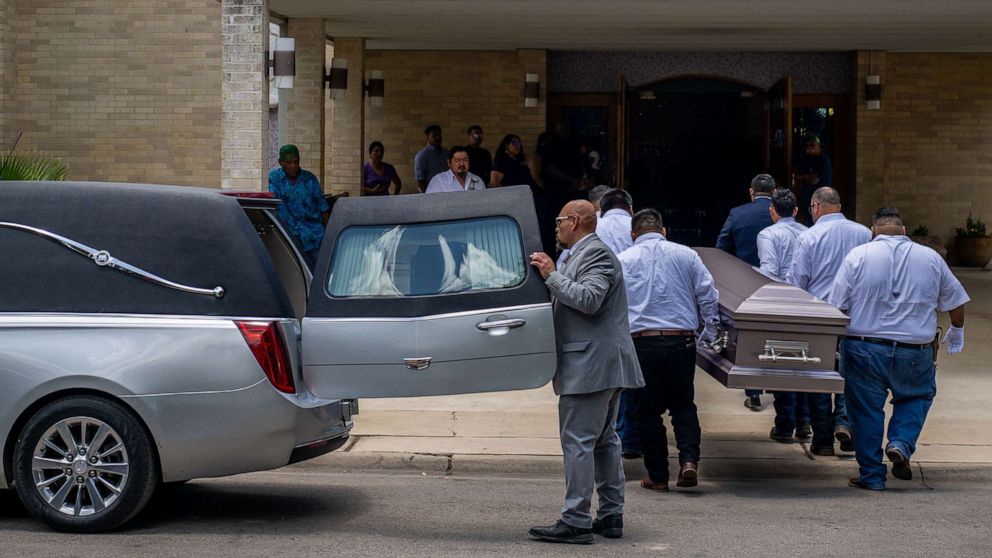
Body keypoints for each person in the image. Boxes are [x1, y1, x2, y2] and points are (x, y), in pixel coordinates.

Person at [527, 200, 644, 544]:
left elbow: (590, 299)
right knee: (605, 442)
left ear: (574, 221)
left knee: (578, 441)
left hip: (590, 364)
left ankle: (576, 519)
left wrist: (550, 275)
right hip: (599, 363)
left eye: (560, 221)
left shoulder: (595, 254)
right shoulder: (584, 253)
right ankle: (610, 515)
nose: (557, 227)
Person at [828, 207, 969, 490]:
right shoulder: (930, 258)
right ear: (904, 231)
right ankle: (901, 442)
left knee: (866, 411)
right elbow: (954, 301)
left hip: (863, 347)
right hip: (914, 350)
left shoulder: (858, 256)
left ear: (872, 231)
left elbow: (837, 306)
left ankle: (871, 475)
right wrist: (957, 330)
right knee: (917, 396)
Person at [618, 208, 720, 491]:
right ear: (663, 231)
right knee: (683, 405)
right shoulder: (687, 254)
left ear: (633, 235)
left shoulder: (623, 260)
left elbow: (612, 306)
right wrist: (708, 334)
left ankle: (658, 475)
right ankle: (689, 462)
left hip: (642, 342)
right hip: (682, 341)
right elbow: (708, 296)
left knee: (647, 412)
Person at [786, 186, 871, 456]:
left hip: (819, 316)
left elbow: (797, 281)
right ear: (839, 204)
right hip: (855, 316)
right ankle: (845, 425)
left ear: (816, 207)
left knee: (819, 378)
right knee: (851, 375)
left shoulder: (809, 236)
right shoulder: (864, 233)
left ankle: (822, 441)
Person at [756, 189, 812, 443]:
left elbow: (769, 270)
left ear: (772, 211)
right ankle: (804, 422)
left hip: (781, 304)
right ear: (797, 211)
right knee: (806, 363)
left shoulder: (768, 234)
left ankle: (785, 425)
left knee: (781, 363)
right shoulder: (808, 232)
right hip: (808, 304)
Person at [716, 173, 775, 410]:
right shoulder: (781, 215)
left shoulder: (738, 213)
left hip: (747, 280)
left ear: (751, 192)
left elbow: (722, 246)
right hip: (778, 285)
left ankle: (753, 392)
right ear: (774, 191)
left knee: (750, 335)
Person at [594, 189, 640, 459]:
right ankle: (632, 437)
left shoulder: (596, 226)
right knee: (634, 376)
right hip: (639, 310)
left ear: (601, 209)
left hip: (606, 308)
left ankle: (617, 435)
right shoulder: (638, 227)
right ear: (631, 208)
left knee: (613, 379)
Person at [268, 144, 329, 267]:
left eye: (296, 162)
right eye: (289, 163)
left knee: (318, 272)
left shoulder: (309, 179)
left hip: (314, 236)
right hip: (290, 236)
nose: (293, 166)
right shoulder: (275, 177)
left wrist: (329, 233)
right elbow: (277, 202)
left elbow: (323, 206)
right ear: (281, 162)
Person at [794, 135, 833, 224]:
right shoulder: (805, 160)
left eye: (812, 145)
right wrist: (807, 177)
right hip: (807, 197)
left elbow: (814, 180)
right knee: (808, 221)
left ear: (819, 146)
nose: (809, 148)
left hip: (822, 197)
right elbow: (797, 176)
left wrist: (805, 177)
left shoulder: (823, 160)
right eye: (807, 146)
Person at [414, 124, 449, 192]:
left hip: (446, 191)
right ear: (427, 137)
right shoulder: (422, 155)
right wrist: (427, 195)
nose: (437, 138)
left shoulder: (447, 153)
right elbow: (420, 180)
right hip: (430, 192)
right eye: (434, 136)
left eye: (439, 135)